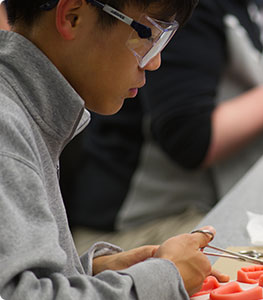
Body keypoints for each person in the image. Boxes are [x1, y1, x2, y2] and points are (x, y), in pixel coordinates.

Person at [65, 0, 263, 251]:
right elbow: (192, 141)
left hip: (202, 208)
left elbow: (256, 113)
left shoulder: (247, 7)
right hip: (140, 228)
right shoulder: (188, 9)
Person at [0, 0, 229, 298]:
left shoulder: (25, 111)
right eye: (149, 34)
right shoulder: (7, 125)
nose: (154, 61)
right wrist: (161, 279)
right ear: (72, 17)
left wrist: (95, 272)